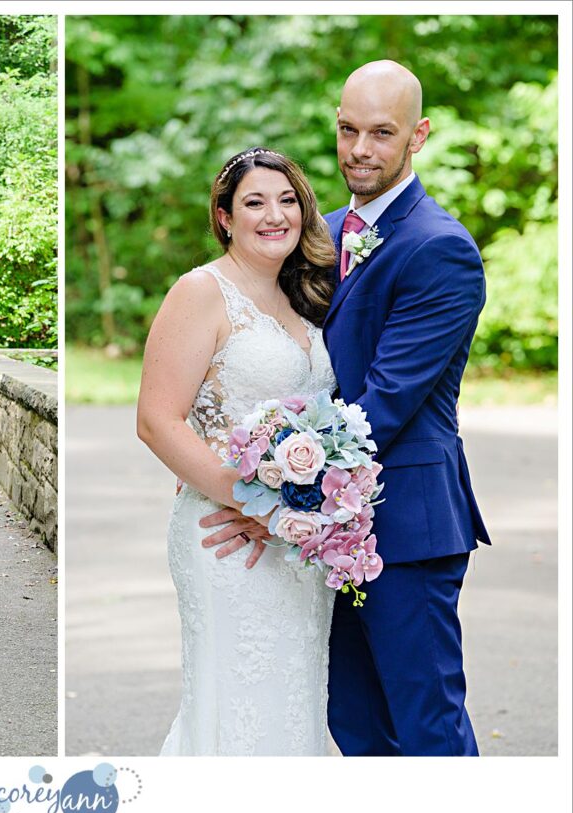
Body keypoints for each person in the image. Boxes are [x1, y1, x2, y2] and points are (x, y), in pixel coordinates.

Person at [200, 61, 490, 756]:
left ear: (417, 135)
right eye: (348, 129)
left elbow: (383, 404)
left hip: (407, 525)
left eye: (381, 133)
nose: (360, 148)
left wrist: (274, 496)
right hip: (325, 534)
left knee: (425, 727)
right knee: (355, 726)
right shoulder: (317, 232)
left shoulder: (440, 248)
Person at [137, 146, 339, 755]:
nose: (274, 214)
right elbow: (156, 420)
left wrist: (301, 509)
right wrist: (256, 504)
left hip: (299, 543)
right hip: (227, 535)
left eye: (287, 201)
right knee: (236, 708)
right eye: (254, 202)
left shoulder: (306, 297)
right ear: (225, 216)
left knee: (293, 703)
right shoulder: (201, 292)